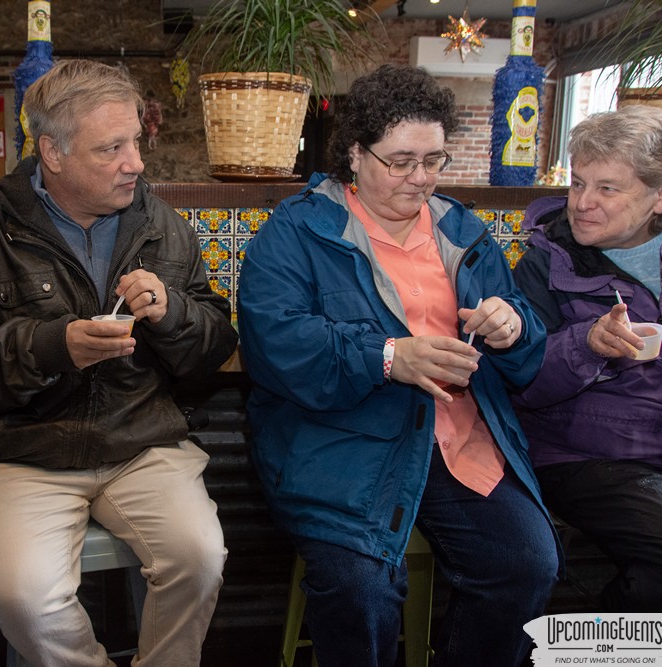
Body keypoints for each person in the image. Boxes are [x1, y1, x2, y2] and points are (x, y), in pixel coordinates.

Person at [236, 64, 560, 667]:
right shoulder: (298, 231)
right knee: (362, 592)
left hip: (457, 438)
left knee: (525, 565)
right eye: (401, 161)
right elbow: (274, 343)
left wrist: (512, 328)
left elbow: (524, 350)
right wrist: (389, 357)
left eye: (434, 160)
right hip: (341, 446)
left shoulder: (463, 230)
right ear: (356, 155)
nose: (421, 179)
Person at [0, 59, 238, 666]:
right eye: (111, 148)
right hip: (24, 452)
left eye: (135, 142)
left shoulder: (162, 224)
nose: (136, 163)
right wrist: (51, 347)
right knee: (23, 599)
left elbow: (213, 346)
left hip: (142, 443)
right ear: (53, 154)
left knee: (199, 559)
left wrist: (172, 314)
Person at [513, 105, 662, 622]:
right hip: (581, 453)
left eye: (608, 189)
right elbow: (518, 383)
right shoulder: (547, 262)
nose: (583, 204)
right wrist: (587, 346)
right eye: (577, 183)